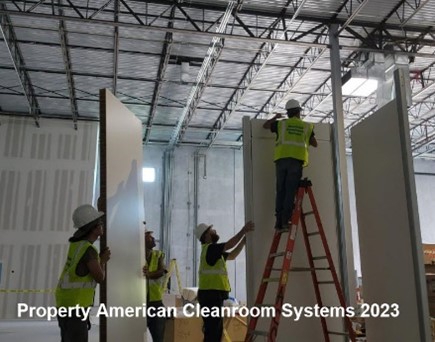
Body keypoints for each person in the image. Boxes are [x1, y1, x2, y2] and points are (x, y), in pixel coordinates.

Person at [55, 204, 111, 342]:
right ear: (94, 228)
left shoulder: (76, 245)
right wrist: (102, 261)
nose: (102, 225)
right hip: (76, 307)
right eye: (100, 223)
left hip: (65, 304)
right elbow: (99, 277)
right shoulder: (88, 250)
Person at [263, 99, 318, 232]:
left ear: (287, 113)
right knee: (290, 191)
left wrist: (275, 117)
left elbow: (265, 126)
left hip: (281, 161)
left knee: (281, 191)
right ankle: (285, 221)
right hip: (295, 162)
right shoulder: (306, 126)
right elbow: (315, 143)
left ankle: (278, 222)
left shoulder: (281, 125)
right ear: (299, 112)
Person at [195, 221, 254, 342]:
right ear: (206, 236)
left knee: (213, 332)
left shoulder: (213, 251)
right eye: (211, 230)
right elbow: (229, 245)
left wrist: (242, 242)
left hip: (210, 296)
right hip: (211, 297)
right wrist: (243, 230)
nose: (214, 231)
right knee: (213, 334)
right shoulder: (211, 249)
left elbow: (232, 255)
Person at [142, 225, 167, 342]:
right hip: (139, 303)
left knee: (158, 337)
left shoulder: (158, 254)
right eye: (149, 236)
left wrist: (149, 274)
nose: (153, 239)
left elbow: (162, 271)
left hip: (156, 303)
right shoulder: (135, 256)